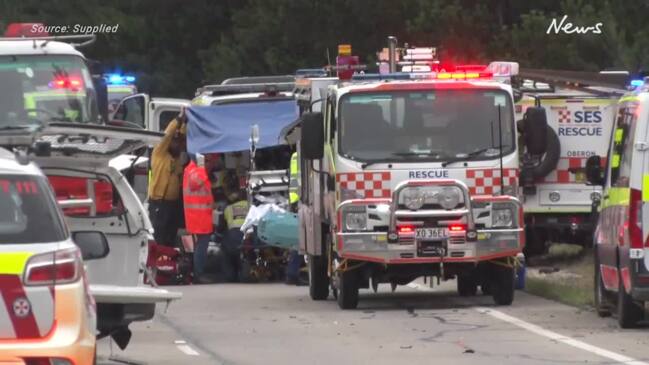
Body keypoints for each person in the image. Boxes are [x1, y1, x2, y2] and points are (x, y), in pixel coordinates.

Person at [147, 111, 186, 247]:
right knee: (159, 236)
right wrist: (178, 120)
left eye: (179, 144)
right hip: (159, 203)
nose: (178, 146)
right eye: (175, 143)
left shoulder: (176, 159)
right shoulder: (159, 153)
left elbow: (182, 137)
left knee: (170, 235)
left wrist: (185, 124)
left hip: (172, 205)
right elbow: (167, 135)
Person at [183, 153, 218, 283]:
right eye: (209, 161)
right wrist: (203, 167)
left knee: (200, 246)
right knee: (201, 246)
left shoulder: (192, 169)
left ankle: (198, 273)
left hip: (201, 215)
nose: (211, 165)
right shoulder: (195, 170)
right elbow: (195, 183)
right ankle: (199, 274)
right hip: (199, 216)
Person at [221, 190, 250, 282]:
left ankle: (230, 276)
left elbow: (221, 226)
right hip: (248, 236)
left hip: (232, 237)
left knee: (226, 250)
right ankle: (244, 274)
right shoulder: (251, 206)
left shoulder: (228, 208)